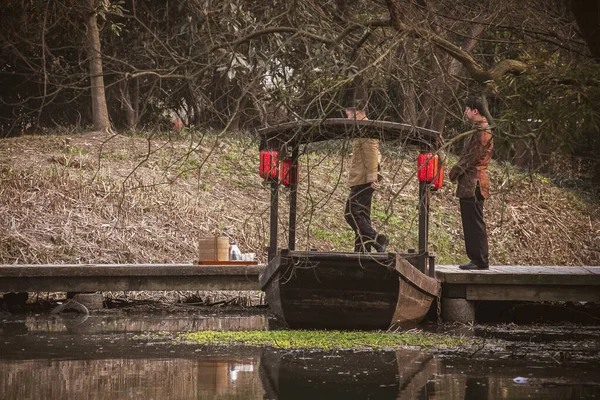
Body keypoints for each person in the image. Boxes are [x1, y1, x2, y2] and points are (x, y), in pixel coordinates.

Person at [449, 96, 494, 270]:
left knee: (475, 222)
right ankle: (476, 258)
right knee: (470, 221)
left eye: (467, 109)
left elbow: (472, 157)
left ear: (475, 111)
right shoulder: (478, 129)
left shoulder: (482, 131)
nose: (465, 112)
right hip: (471, 180)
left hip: (475, 181)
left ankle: (480, 260)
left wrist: (455, 171)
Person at [344, 101, 389, 253]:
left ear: (357, 112)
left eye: (348, 114)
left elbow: (372, 154)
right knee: (362, 215)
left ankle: (378, 240)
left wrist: (372, 177)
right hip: (361, 178)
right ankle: (362, 250)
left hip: (363, 179)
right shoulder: (361, 129)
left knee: (351, 213)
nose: (348, 118)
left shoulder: (366, 129)